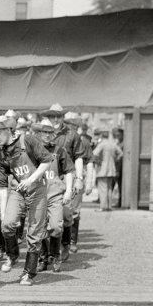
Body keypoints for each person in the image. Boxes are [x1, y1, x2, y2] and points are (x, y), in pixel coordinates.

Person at [0, 117, 52, 286]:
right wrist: (3, 214)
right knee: (7, 224)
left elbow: (47, 161)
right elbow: (1, 187)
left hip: (37, 188)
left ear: (8, 130)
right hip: (18, 190)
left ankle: (29, 273)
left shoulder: (28, 140)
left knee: (34, 233)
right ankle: (13, 254)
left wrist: (31, 180)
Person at [40, 104, 88, 261]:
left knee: (68, 214)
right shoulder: (42, 134)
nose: (55, 119)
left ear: (63, 117)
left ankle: (65, 244)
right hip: (47, 179)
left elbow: (79, 157)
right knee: (45, 219)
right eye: (52, 116)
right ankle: (47, 254)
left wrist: (79, 179)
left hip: (66, 178)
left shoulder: (71, 134)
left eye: (58, 116)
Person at [31, 119, 73, 272]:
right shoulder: (32, 151)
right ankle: (43, 258)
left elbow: (69, 170)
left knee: (55, 226)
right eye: (44, 132)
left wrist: (68, 190)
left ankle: (55, 256)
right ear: (38, 133)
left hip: (55, 193)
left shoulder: (60, 150)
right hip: (37, 193)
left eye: (50, 132)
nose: (47, 135)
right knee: (39, 228)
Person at [92, 127, 123, 212]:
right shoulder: (112, 144)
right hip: (111, 169)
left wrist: (98, 161)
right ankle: (109, 206)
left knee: (103, 188)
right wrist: (115, 159)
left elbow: (94, 154)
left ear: (101, 135)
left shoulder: (102, 144)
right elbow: (120, 153)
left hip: (103, 169)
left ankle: (103, 206)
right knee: (109, 188)